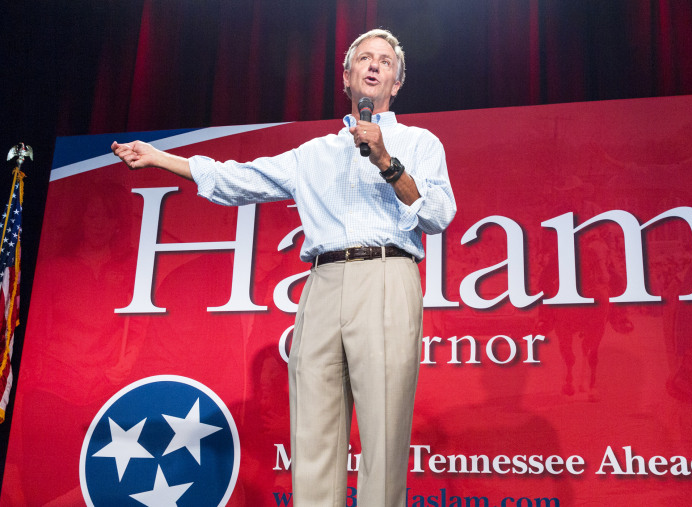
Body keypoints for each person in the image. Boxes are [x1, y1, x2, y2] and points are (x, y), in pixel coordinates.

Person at [112, 28, 456, 506]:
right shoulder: (312, 154)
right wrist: (161, 159)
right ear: (347, 76)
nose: (374, 66)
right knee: (312, 435)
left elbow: (439, 216)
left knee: (383, 433)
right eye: (364, 59)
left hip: (385, 274)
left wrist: (386, 161)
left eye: (385, 61)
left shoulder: (420, 142)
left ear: (397, 83)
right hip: (321, 282)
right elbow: (240, 179)